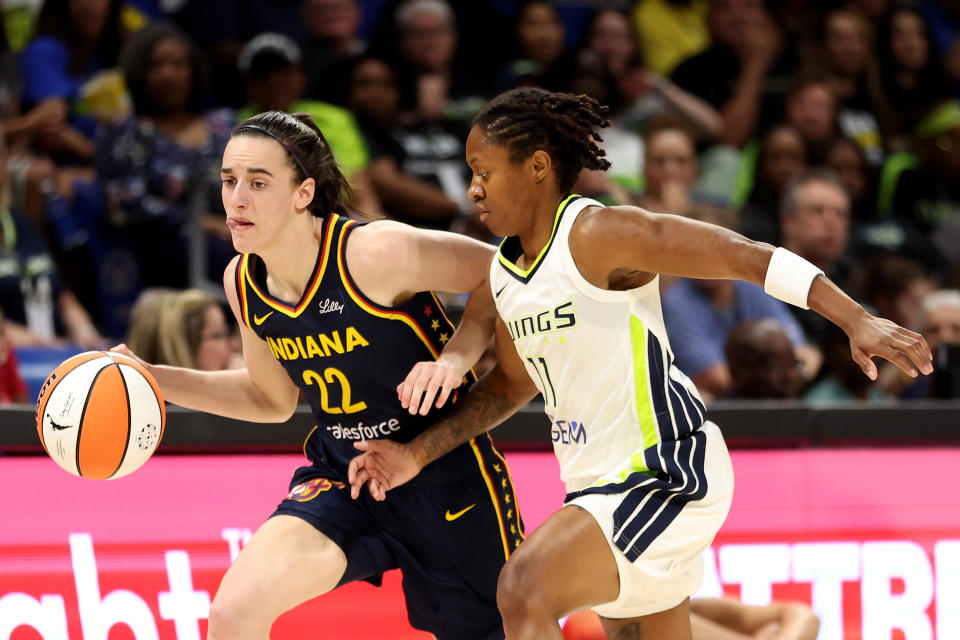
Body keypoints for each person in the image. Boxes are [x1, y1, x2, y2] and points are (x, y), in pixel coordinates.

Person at [346, 87, 932, 640]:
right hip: (593, 483)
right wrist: (414, 454)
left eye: (483, 171)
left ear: (537, 166)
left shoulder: (601, 233)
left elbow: (744, 256)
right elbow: (507, 388)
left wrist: (855, 318)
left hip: (665, 467)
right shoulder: (504, 272)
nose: (472, 189)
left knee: (523, 586)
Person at [112, 110, 521, 640]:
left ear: (303, 193)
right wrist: (153, 378)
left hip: (444, 471)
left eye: (259, 183)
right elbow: (270, 399)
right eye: (229, 181)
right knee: (233, 614)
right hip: (345, 474)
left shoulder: (375, 253)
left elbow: (508, 271)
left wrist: (456, 357)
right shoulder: (244, 280)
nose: (237, 200)